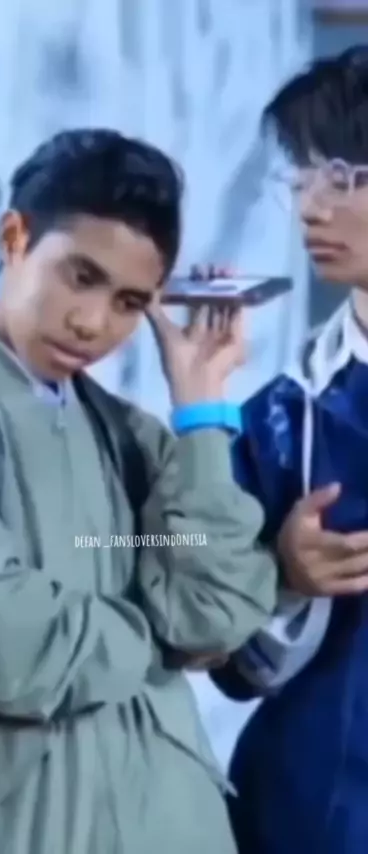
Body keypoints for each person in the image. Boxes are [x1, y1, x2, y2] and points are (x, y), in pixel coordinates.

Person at [0, 128, 277, 854]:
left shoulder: (134, 435)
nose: (93, 324)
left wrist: (201, 409)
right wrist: (158, 635)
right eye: (80, 276)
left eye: (130, 302)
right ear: (14, 238)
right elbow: (6, 644)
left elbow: (216, 612)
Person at [210, 46, 368, 854]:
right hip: (307, 819)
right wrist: (285, 579)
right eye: (301, 179)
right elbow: (232, 664)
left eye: (342, 177)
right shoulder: (288, 416)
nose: (311, 207)